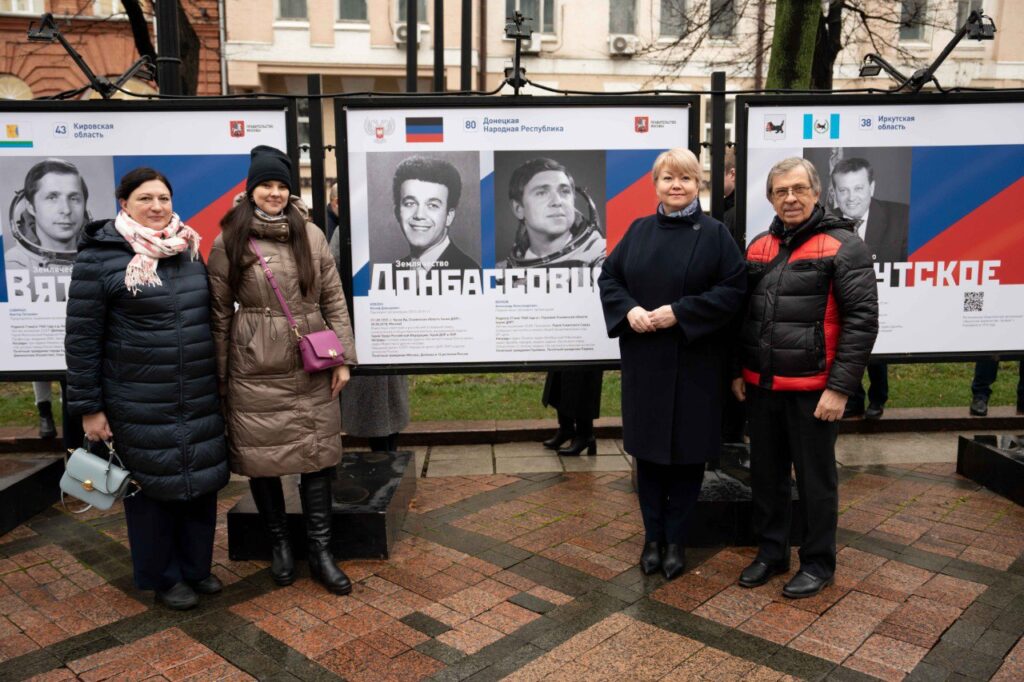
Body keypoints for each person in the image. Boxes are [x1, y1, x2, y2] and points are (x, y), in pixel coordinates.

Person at [64, 167, 229, 611]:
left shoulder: (189, 249)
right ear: (124, 204)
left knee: (200, 484)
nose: (156, 207)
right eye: (144, 199)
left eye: (163, 198)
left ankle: (196, 568)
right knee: (152, 491)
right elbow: (82, 341)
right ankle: (163, 576)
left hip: (195, 394)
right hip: (136, 400)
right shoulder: (99, 258)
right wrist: (89, 408)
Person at [208, 145, 357, 595]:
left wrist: (344, 359)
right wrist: (220, 377)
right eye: (266, 185)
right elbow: (217, 312)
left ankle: (321, 551)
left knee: (316, 458)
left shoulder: (309, 234)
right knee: (263, 459)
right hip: (253, 362)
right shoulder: (228, 238)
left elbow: (333, 297)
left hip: (310, 357)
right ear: (251, 189)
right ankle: (280, 546)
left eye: (281, 185)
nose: (274, 193)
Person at [732, 157, 878, 599]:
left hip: (816, 392)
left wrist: (839, 389)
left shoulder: (843, 246)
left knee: (816, 483)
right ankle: (772, 553)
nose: (790, 198)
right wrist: (739, 371)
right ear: (770, 198)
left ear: (817, 193)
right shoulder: (758, 246)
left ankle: (818, 562)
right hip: (762, 388)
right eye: (781, 191)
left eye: (799, 189)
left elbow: (861, 321)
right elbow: (744, 315)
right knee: (767, 477)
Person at [599, 148, 746, 580]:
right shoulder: (639, 230)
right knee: (648, 458)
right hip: (647, 364)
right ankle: (652, 539)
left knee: (686, 458)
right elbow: (610, 277)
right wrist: (628, 311)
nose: (676, 186)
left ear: (698, 183)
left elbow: (733, 292)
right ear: (655, 185)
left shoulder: (716, 234)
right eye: (667, 179)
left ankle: (677, 541)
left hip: (696, 363)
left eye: (684, 178)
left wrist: (679, 312)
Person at [501, 158, 607, 456]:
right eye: (541, 192)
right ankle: (566, 428)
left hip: (586, 330)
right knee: (558, 376)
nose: (557, 201)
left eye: (564, 191)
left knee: (581, 376)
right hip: (556, 327)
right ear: (518, 209)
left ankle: (585, 434)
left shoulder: (602, 255)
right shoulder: (509, 268)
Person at [830, 157, 908, 420]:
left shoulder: (900, 218)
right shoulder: (827, 223)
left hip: (883, 297)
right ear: (835, 193)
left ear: (871, 188)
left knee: (876, 349)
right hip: (841, 298)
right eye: (844, 190)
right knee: (846, 348)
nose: (851, 197)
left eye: (859, 188)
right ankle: (853, 398)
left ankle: (878, 398)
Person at [329, 222, 410, 452]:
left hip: (388, 323)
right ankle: (384, 455)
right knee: (376, 409)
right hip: (363, 324)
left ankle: (386, 454)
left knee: (387, 406)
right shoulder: (348, 228)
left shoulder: (355, 226)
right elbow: (332, 275)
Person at [6, 158, 90, 301]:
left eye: (74, 198)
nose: (66, 210)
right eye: (52, 197)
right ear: (31, 207)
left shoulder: (103, 262)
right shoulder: (12, 266)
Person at [390, 156, 479, 271]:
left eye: (432, 205)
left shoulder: (471, 273)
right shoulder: (392, 273)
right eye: (410, 204)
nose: (419, 215)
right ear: (397, 212)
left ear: (449, 217)